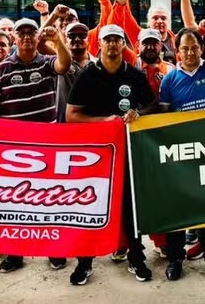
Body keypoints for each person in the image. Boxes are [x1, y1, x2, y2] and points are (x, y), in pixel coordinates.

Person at [67, 24, 158, 285]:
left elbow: (153, 103)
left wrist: (139, 113)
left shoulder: (135, 75)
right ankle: (85, 261)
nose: (113, 44)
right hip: (95, 155)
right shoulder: (87, 76)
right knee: (91, 207)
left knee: (130, 207)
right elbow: (71, 116)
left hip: (128, 151)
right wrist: (103, 121)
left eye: (118, 40)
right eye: (108, 40)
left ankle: (136, 257)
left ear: (124, 45)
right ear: (99, 45)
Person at [0, 18, 71, 274]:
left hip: (47, 145)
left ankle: (54, 248)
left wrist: (57, 41)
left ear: (37, 37)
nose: (25, 37)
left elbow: (64, 65)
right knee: (16, 201)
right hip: (14, 149)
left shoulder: (46, 63)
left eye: (31, 33)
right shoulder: (0, 70)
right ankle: (15, 252)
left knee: (48, 197)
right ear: (15, 38)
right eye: (21, 33)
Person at [157, 0, 205, 281]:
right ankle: (176, 259)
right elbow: (163, 118)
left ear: (201, 48)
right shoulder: (169, 80)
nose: (189, 52)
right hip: (180, 156)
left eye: (194, 48)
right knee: (179, 210)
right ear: (177, 50)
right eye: (184, 48)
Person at [56, 22, 94, 123]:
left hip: (93, 125)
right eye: (72, 35)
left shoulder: (99, 64)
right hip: (64, 127)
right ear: (65, 39)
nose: (77, 39)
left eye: (82, 35)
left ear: (88, 39)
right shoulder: (57, 63)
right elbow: (40, 44)